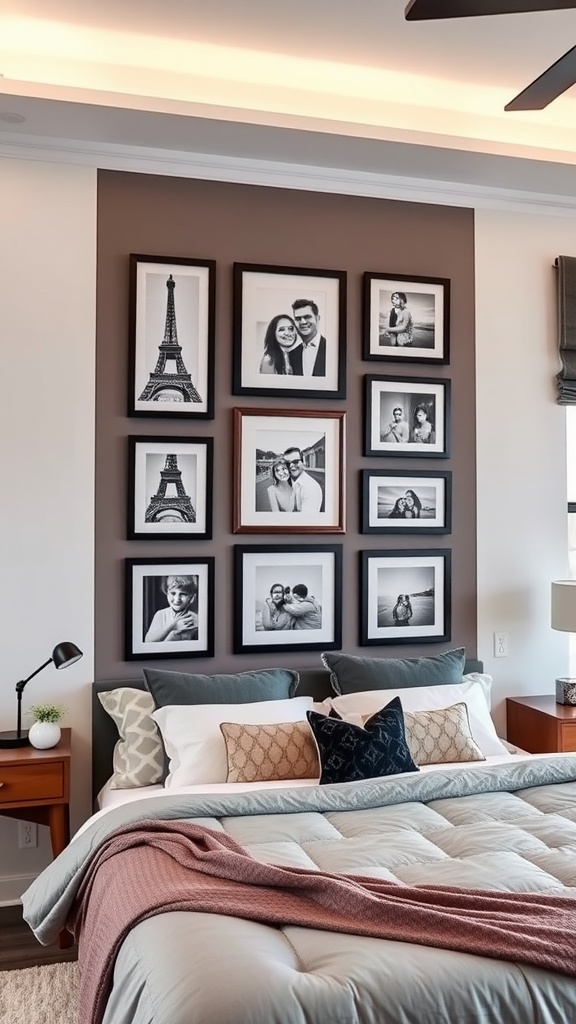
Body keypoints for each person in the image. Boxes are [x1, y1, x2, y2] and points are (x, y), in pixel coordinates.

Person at [145, 575, 198, 642]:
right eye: (173, 593)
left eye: (183, 594)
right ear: (167, 593)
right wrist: (173, 626)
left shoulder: (195, 619)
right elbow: (148, 641)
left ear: (192, 597)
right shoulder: (160, 614)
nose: (177, 599)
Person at [289, 299, 326, 376]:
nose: (303, 322)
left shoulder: (331, 349)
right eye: (298, 319)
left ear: (317, 318)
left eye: (307, 317)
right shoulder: (291, 355)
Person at [283, 446, 323, 512]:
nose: (291, 465)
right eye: (287, 463)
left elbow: (307, 520)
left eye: (295, 461)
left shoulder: (310, 487)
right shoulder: (294, 482)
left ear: (302, 462)